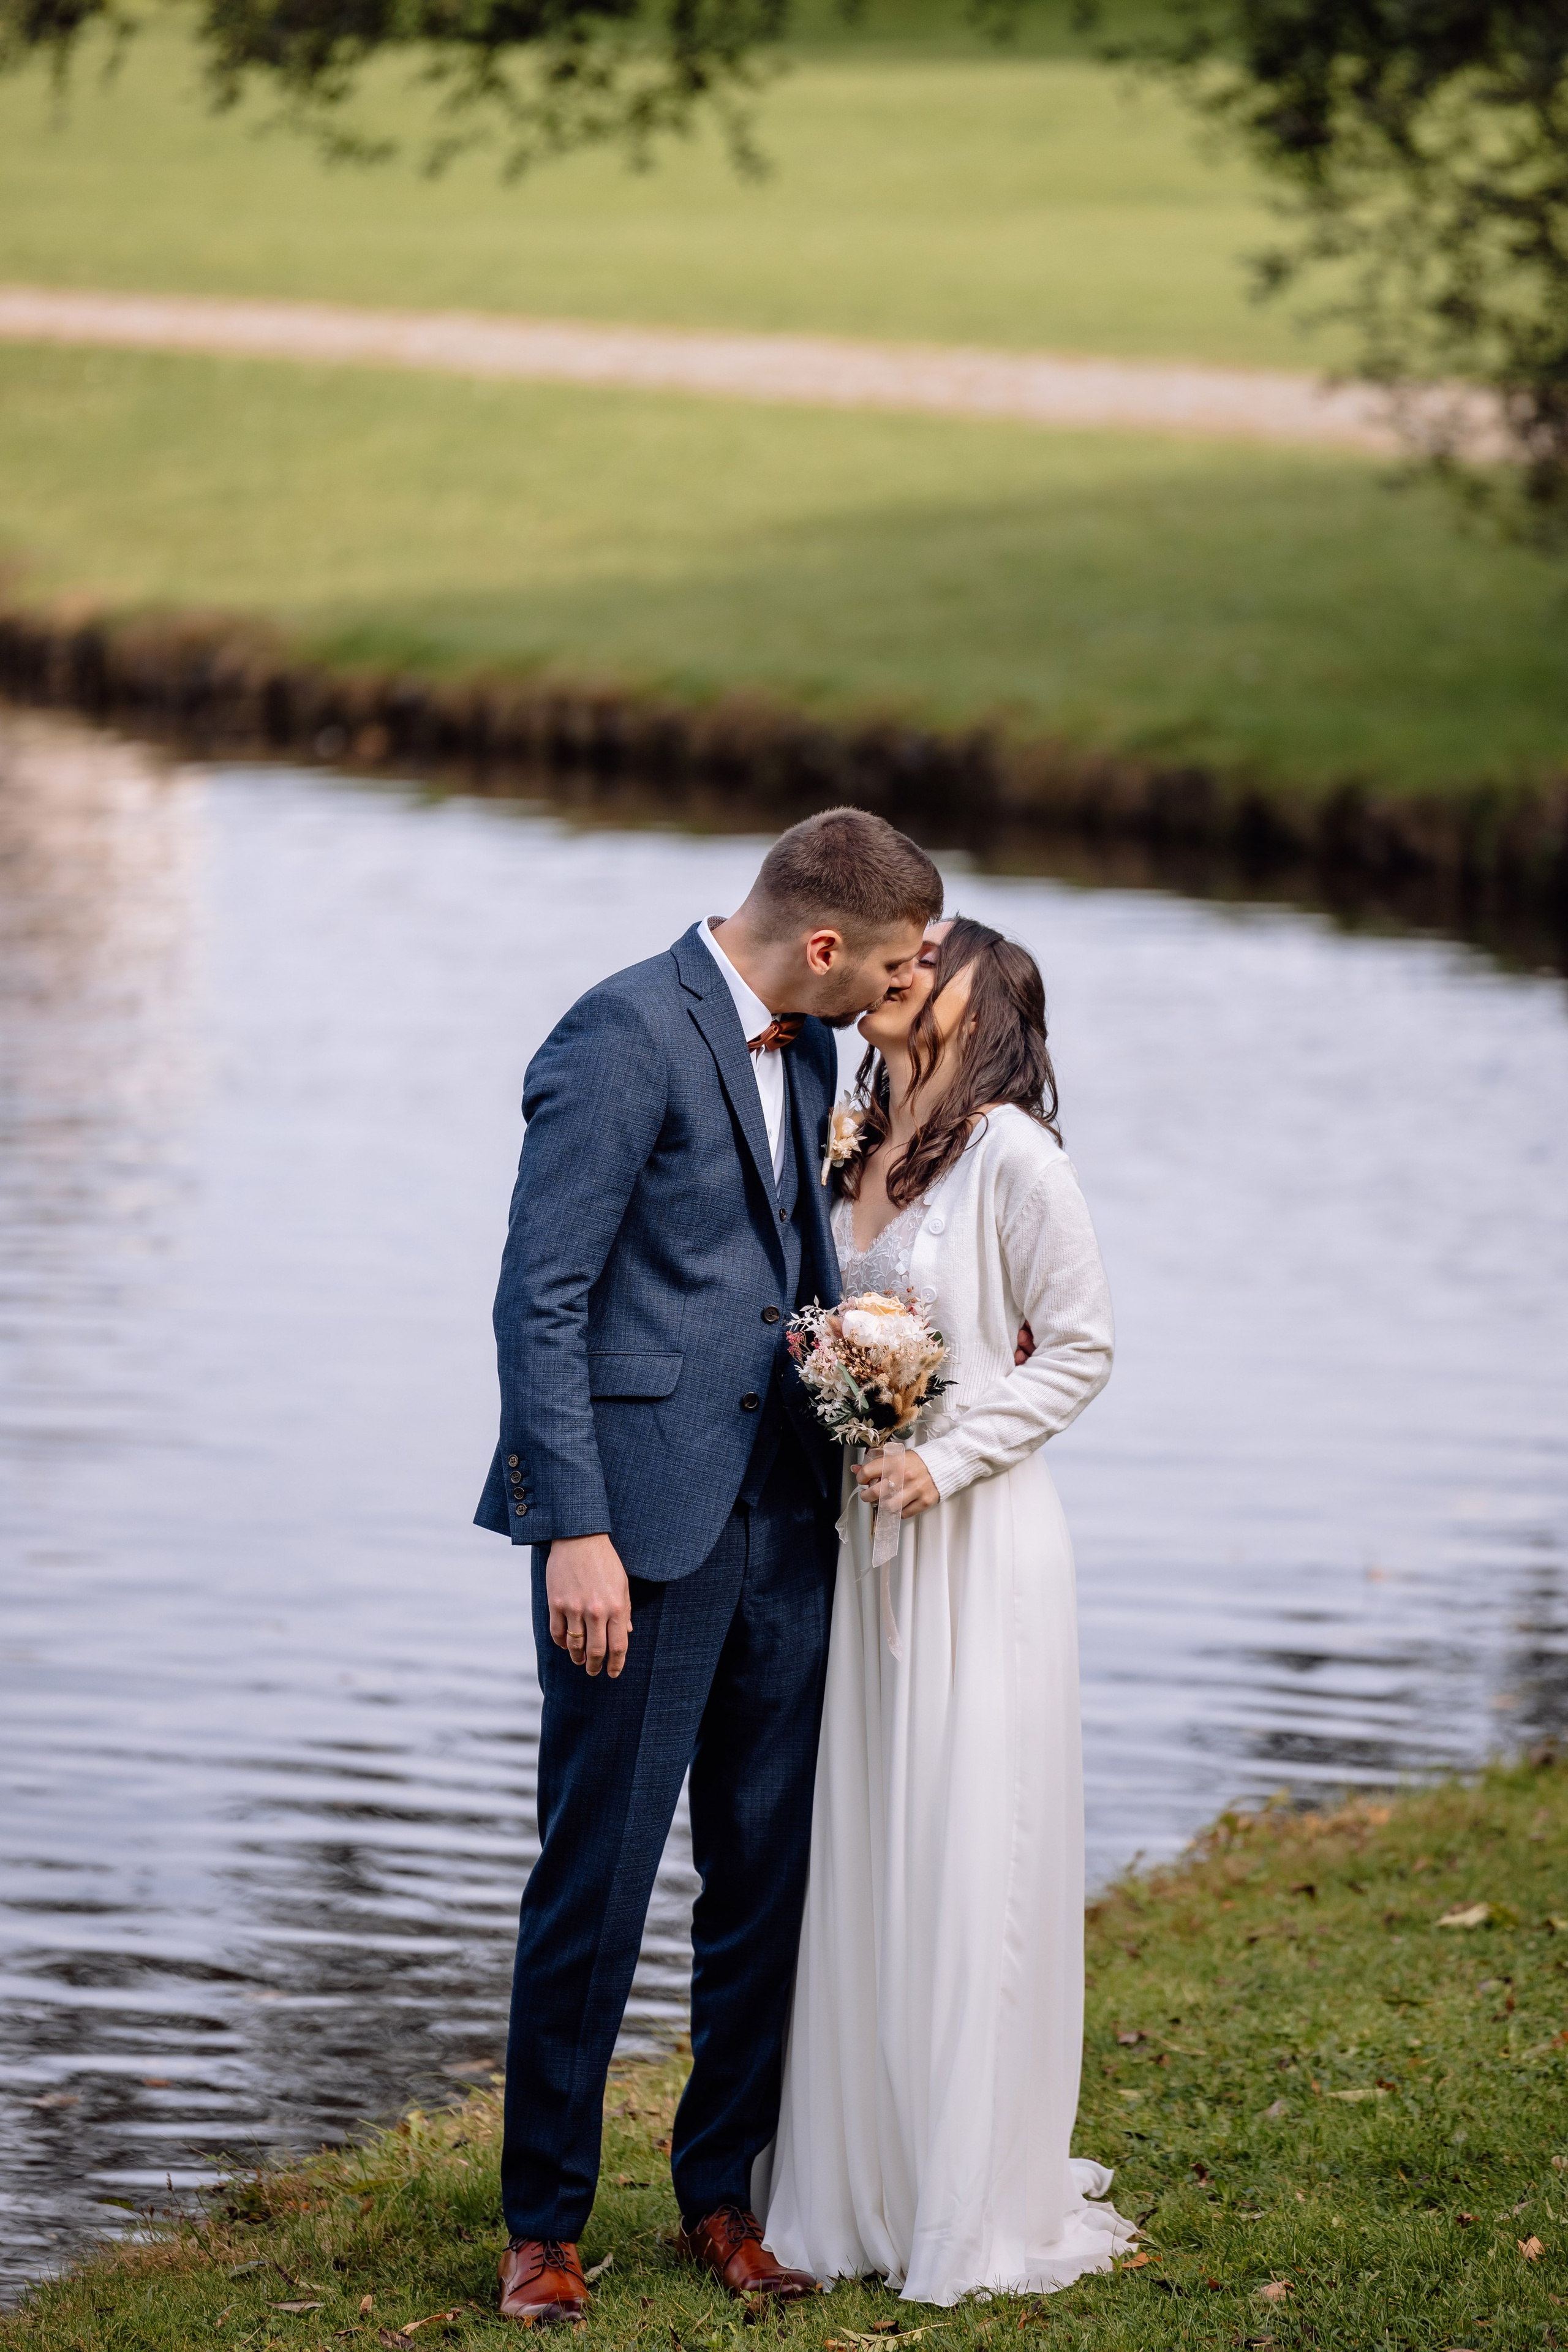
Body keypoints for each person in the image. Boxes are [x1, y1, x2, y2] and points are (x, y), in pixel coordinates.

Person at [473, 807, 944, 2325]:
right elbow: (538, 1300)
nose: (891, 993)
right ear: (821, 945)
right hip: (635, 1540)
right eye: (880, 966)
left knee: (763, 1878)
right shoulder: (617, 1034)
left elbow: (775, 1274)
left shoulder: (807, 1050)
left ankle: (718, 2198)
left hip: (785, 1528)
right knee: (596, 1884)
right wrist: (576, 1532)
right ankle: (541, 2225)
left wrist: (862, 1366)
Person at [762, 916, 1137, 2304]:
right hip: (860, 1542)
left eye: (933, 968)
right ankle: (848, 2179)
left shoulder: (1013, 1158)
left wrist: (946, 1449)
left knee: (964, 1841)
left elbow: (1083, 1347)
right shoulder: (849, 1139)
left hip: (973, 1538)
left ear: (986, 1011)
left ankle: (964, 2193)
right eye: (899, 963)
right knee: (860, 1842)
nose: (901, 973)